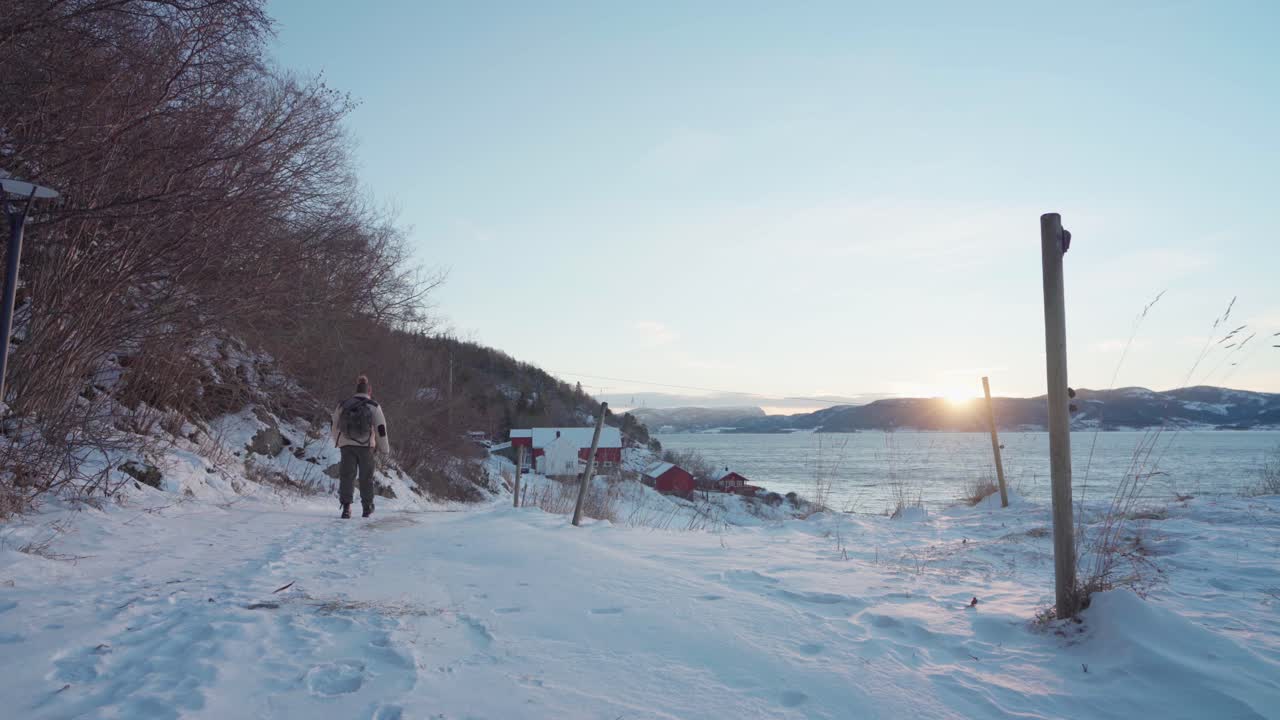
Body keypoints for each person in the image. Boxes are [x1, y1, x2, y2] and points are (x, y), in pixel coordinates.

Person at [331, 374, 390, 519]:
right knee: (366, 477)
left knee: (347, 476)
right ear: (369, 391)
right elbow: (381, 429)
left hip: (347, 446)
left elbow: (334, 424)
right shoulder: (374, 406)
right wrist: (384, 449)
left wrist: (338, 441)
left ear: (356, 389)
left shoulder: (343, 404)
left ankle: (346, 508)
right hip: (366, 447)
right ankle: (367, 507)